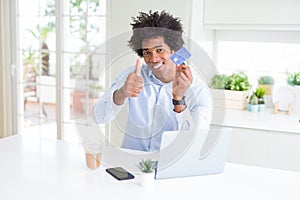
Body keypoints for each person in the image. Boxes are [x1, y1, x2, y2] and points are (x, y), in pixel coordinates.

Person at [93, 10, 212, 152]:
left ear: (174, 50)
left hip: (169, 166)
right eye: (147, 52)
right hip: (131, 163)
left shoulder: (197, 90)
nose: (153, 59)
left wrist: (179, 100)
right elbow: (98, 117)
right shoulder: (133, 76)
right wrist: (122, 94)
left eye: (159, 50)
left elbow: (196, 141)